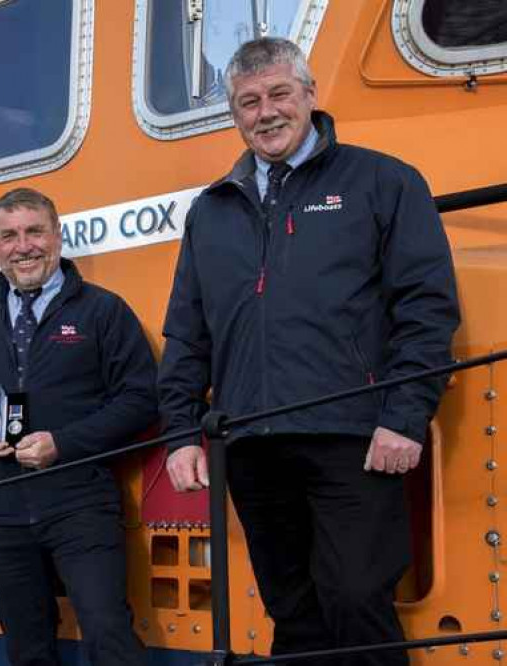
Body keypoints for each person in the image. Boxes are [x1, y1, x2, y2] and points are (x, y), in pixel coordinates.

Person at [158, 37, 460, 665]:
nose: (265, 112)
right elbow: (187, 334)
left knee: (356, 599)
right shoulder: (210, 212)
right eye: (248, 102)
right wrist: (183, 434)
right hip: (251, 444)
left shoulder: (383, 181)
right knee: (292, 612)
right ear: (234, 115)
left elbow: (427, 310)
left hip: (352, 436)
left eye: (278, 95)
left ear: (309, 94)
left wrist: (403, 418)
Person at [0, 187, 157, 666]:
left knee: (109, 635)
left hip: (80, 505)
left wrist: (63, 443)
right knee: (28, 650)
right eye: (9, 235)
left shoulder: (102, 311)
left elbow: (141, 400)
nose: (22, 245)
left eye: (34, 231)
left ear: (57, 235)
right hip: (0, 513)